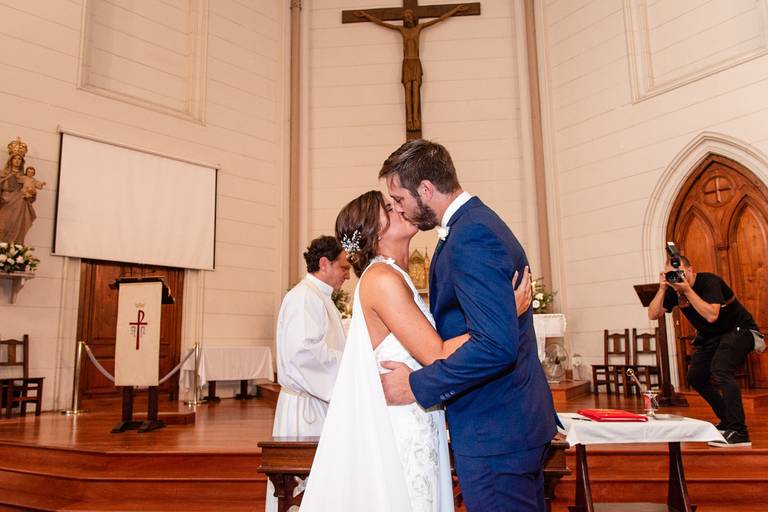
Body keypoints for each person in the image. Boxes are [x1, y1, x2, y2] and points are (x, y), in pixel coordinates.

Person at [300, 190, 532, 511]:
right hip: (400, 427)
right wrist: (505, 312)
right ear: (373, 232)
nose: (397, 206)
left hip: (417, 414)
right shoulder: (381, 279)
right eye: (387, 207)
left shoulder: (395, 276)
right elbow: (435, 354)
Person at [378, 139, 557, 511]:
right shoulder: (473, 224)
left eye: (400, 198)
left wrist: (415, 386)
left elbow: (495, 346)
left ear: (425, 189)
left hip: (497, 431)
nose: (399, 208)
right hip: (507, 421)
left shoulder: (470, 236)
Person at [265, 236, 351, 512]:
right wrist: (351, 364)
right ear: (324, 264)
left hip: (317, 401)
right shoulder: (303, 298)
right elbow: (303, 354)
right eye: (344, 267)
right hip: (305, 409)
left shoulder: (318, 298)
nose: (347, 275)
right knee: (305, 488)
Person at [648, 254, 757, 447]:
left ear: (691, 271)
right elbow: (653, 314)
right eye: (671, 274)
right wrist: (663, 288)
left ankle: (740, 432)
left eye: (680, 272)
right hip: (712, 337)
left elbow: (712, 315)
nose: (677, 277)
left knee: (721, 369)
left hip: (740, 329)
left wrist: (688, 291)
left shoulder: (709, 281)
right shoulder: (673, 289)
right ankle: (727, 420)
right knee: (696, 376)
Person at [355, 5, 467, 133]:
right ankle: (410, 118)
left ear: (413, 18)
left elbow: (439, 19)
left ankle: (416, 118)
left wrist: (456, 10)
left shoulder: (419, 28)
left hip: (415, 62)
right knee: (408, 89)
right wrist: (365, 15)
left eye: (409, 16)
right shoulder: (401, 30)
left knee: (415, 89)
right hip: (406, 63)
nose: (407, 18)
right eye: (405, 17)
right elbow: (382, 23)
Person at [0, 137, 37, 243]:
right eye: (15, 158)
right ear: (10, 160)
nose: (17, 161)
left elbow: (31, 193)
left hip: (20, 207)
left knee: (17, 231)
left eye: (19, 159)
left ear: (22, 161)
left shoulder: (26, 177)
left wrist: (31, 195)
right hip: (5, 204)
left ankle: (14, 253)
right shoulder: (2, 174)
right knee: (2, 228)